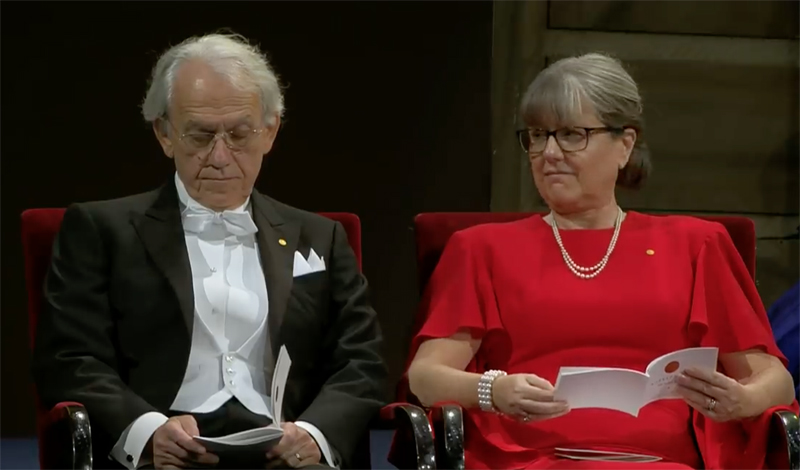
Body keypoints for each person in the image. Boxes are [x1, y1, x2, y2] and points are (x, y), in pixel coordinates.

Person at [406, 52, 797, 469]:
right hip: (529, 461)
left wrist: (743, 400)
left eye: (571, 134)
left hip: (660, 463)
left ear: (624, 145)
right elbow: (424, 378)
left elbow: (777, 381)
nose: (549, 152)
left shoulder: (696, 244)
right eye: (537, 135)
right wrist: (493, 391)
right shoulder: (480, 248)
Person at [32, 33, 387, 470]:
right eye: (200, 135)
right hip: (162, 457)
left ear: (270, 131)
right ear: (164, 134)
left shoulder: (321, 237)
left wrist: (313, 434)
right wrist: (147, 431)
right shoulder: (100, 230)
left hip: (285, 453)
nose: (220, 157)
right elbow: (69, 359)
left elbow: (362, 361)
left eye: (239, 134)